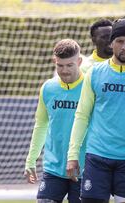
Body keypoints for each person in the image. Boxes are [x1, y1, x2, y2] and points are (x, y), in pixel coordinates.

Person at [66, 18, 125, 203]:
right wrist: (72, 155)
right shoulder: (95, 73)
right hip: (97, 156)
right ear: (112, 43)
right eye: (120, 41)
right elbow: (82, 115)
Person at [24, 39, 86, 203]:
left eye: (69, 65)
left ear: (79, 62)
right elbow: (41, 125)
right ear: (54, 62)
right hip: (53, 168)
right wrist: (31, 159)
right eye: (60, 65)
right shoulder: (48, 88)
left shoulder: (90, 87)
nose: (64, 71)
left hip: (84, 169)